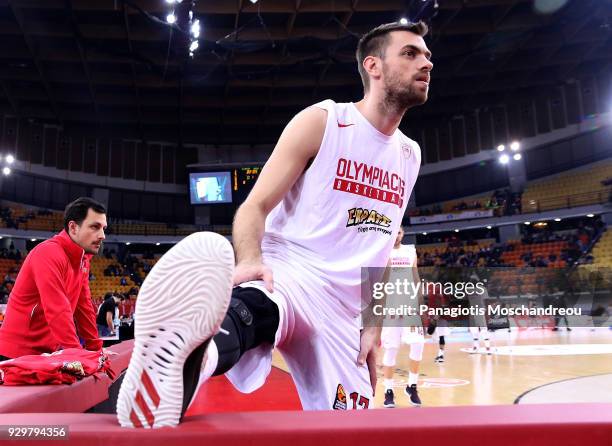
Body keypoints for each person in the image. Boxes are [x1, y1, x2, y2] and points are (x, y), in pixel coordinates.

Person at [117, 20, 432, 428]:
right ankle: (182, 362)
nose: (425, 63)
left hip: (345, 314)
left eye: (426, 55)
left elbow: (386, 245)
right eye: (410, 53)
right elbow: (255, 207)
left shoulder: (410, 155)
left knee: (346, 429)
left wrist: (372, 326)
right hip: (296, 272)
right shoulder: (324, 121)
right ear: (373, 66)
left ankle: (183, 368)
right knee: (255, 308)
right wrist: (249, 259)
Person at [0, 197, 107, 361]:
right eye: (95, 227)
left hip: (45, 353)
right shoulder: (48, 253)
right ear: (73, 228)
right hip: (16, 353)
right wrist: (76, 355)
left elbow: (83, 307)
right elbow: (57, 309)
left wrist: (95, 350)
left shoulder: (83, 260)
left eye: (103, 228)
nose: (102, 235)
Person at [380, 227, 425, 408]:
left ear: (403, 234)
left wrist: (420, 300)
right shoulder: (381, 250)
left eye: (399, 232)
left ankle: (412, 386)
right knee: (391, 349)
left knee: (418, 343)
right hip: (391, 305)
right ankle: (388, 391)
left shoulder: (410, 251)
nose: (396, 235)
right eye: (394, 232)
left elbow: (415, 276)